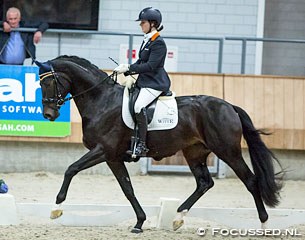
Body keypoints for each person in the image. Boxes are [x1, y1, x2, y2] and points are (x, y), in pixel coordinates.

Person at [114, 7, 171, 157]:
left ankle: (142, 145)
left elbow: (151, 66)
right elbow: (141, 60)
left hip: (155, 83)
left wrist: (130, 68)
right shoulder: (147, 40)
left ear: (153, 23)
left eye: (143, 22)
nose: (141, 25)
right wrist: (127, 70)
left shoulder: (158, 43)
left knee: (139, 106)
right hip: (145, 80)